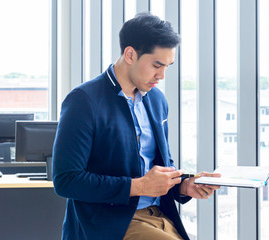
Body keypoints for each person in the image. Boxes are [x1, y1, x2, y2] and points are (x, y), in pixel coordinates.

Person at [52, 12, 220, 240]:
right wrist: (138, 186)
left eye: (167, 66)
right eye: (156, 65)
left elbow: (159, 168)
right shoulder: (83, 101)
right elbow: (66, 181)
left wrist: (183, 186)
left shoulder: (157, 100)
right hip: (110, 223)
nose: (161, 75)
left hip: (160, 216)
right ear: (130, 54)